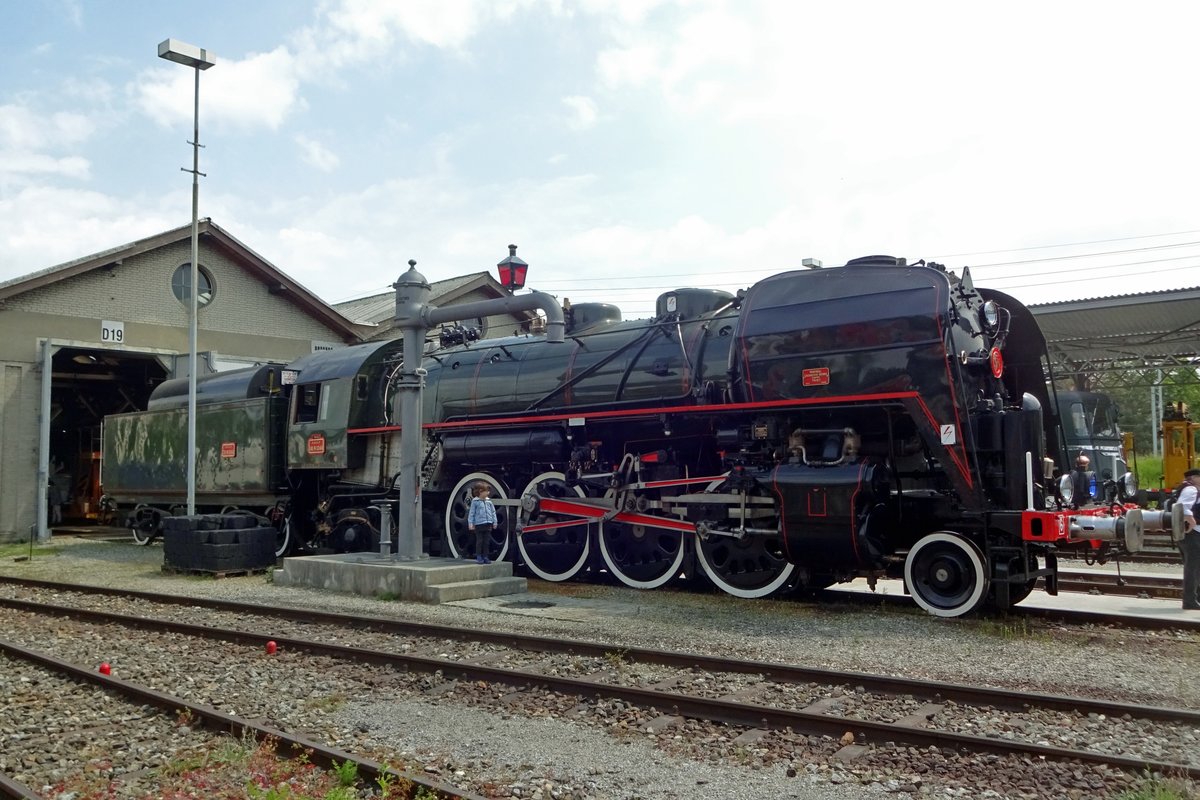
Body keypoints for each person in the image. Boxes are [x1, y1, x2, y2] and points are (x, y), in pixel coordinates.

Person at [1178, 468, 1200, 610]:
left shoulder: (1191, 488)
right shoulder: (1191, 489)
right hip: (1191, 533)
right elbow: (1182, 506)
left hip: (1192, 533)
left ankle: (1194, 598)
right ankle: (1189, 600)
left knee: (1195, 567)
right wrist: (1191, 520)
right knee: (1192, 567)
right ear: (1194, 478)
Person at [467, 481, 497, 565]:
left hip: (488, 524)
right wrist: (470, 524)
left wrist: (495, 522)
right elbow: (471, 513)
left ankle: (486, 556)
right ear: (480, 491)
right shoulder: (475, 502)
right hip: (479, 524)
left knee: (486, 542)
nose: (488, 493)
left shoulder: (489, 501)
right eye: (486, 491)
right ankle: (479, 556)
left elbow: (493, 512)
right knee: (479, 541)